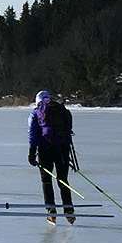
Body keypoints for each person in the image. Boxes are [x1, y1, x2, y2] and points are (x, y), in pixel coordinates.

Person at [27, 89, 77, 221]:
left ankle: (51, 209)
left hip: (45, 149)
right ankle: (69, 210)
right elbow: (68, 129)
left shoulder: (36, 112)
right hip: (62, 149)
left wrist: (32, 153)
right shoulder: (61, 110)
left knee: (46, 180)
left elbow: (33, 134)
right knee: (63, 179)